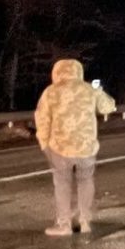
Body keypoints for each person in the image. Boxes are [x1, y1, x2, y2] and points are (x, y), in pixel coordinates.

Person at [34, 58, 116, 236]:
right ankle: (85, 221)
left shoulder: (51, 92)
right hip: (86, 147)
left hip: (59, 147)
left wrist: (44, 143)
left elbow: (42, 119)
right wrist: (99, 91)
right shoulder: (89, 89)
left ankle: (64, 224)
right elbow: (109, 107)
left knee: (62, 184)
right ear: (78, 72)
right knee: (86, 181)